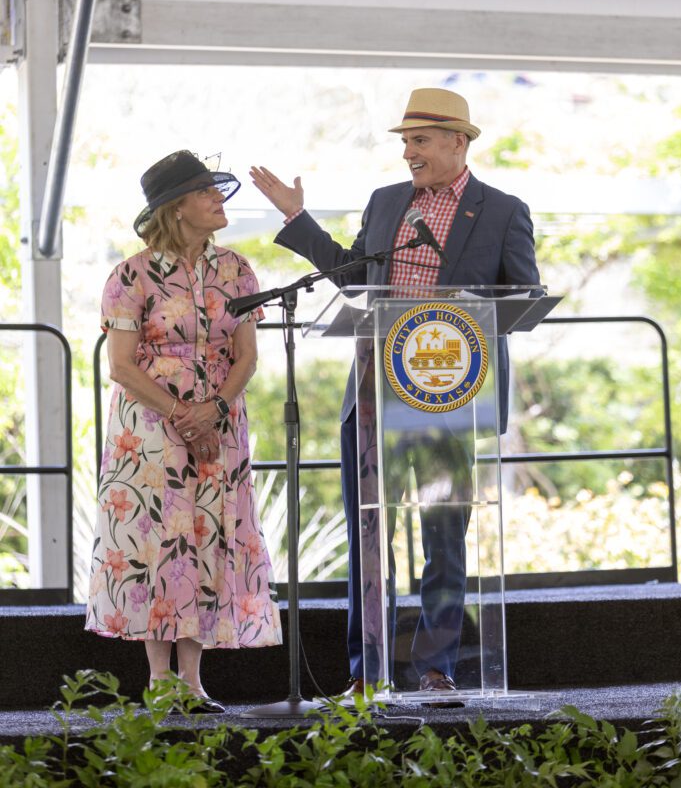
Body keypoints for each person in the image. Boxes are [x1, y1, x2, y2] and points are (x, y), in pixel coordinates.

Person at [250, 87, 540, 700]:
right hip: (376, 385)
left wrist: (468, 310)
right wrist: (296, 222)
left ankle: (437, 668)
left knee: (443, 534)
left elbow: (524, 297)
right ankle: (367, 671)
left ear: (458, 142)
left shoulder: (502, 211)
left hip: (453, 393)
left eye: (420, 140)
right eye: (405, 141)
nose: (408, 151)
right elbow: (355, 277)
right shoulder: (387, 204)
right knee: (369, 535)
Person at [86, 150, 282, 712]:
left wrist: (214, 408)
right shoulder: (129, 274)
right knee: (155, 541)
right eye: (205, 193)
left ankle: (193, 682)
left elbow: (246, 355)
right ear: (175, 208)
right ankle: (158, 680)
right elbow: (121, 365)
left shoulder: (238, 270)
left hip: (220, 422)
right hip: (149, 428)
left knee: (207, 538)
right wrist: (182, 412)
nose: (219, 200)